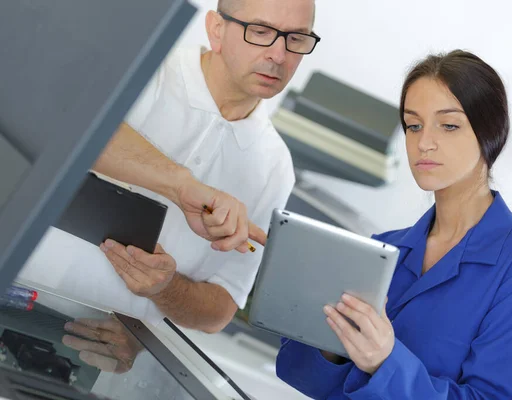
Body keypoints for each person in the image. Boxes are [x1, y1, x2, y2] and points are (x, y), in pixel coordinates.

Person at [276, 50, 512, 399]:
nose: (424, 143)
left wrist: (384, 362)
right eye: (413, 125)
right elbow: (301, 374)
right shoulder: (382, 250)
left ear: (491, 132)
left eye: (449, 125)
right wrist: (333, 342)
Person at [19, 0, 319, 334]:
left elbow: (219, 311)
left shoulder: (275, 166)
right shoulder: (144, 65)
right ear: (217, 29)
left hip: (99, 352)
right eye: (260, 31)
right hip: (15, 286)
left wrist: (166, 288)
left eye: (296, 39)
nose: (279, 55)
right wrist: (182, 185)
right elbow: (67, 124)